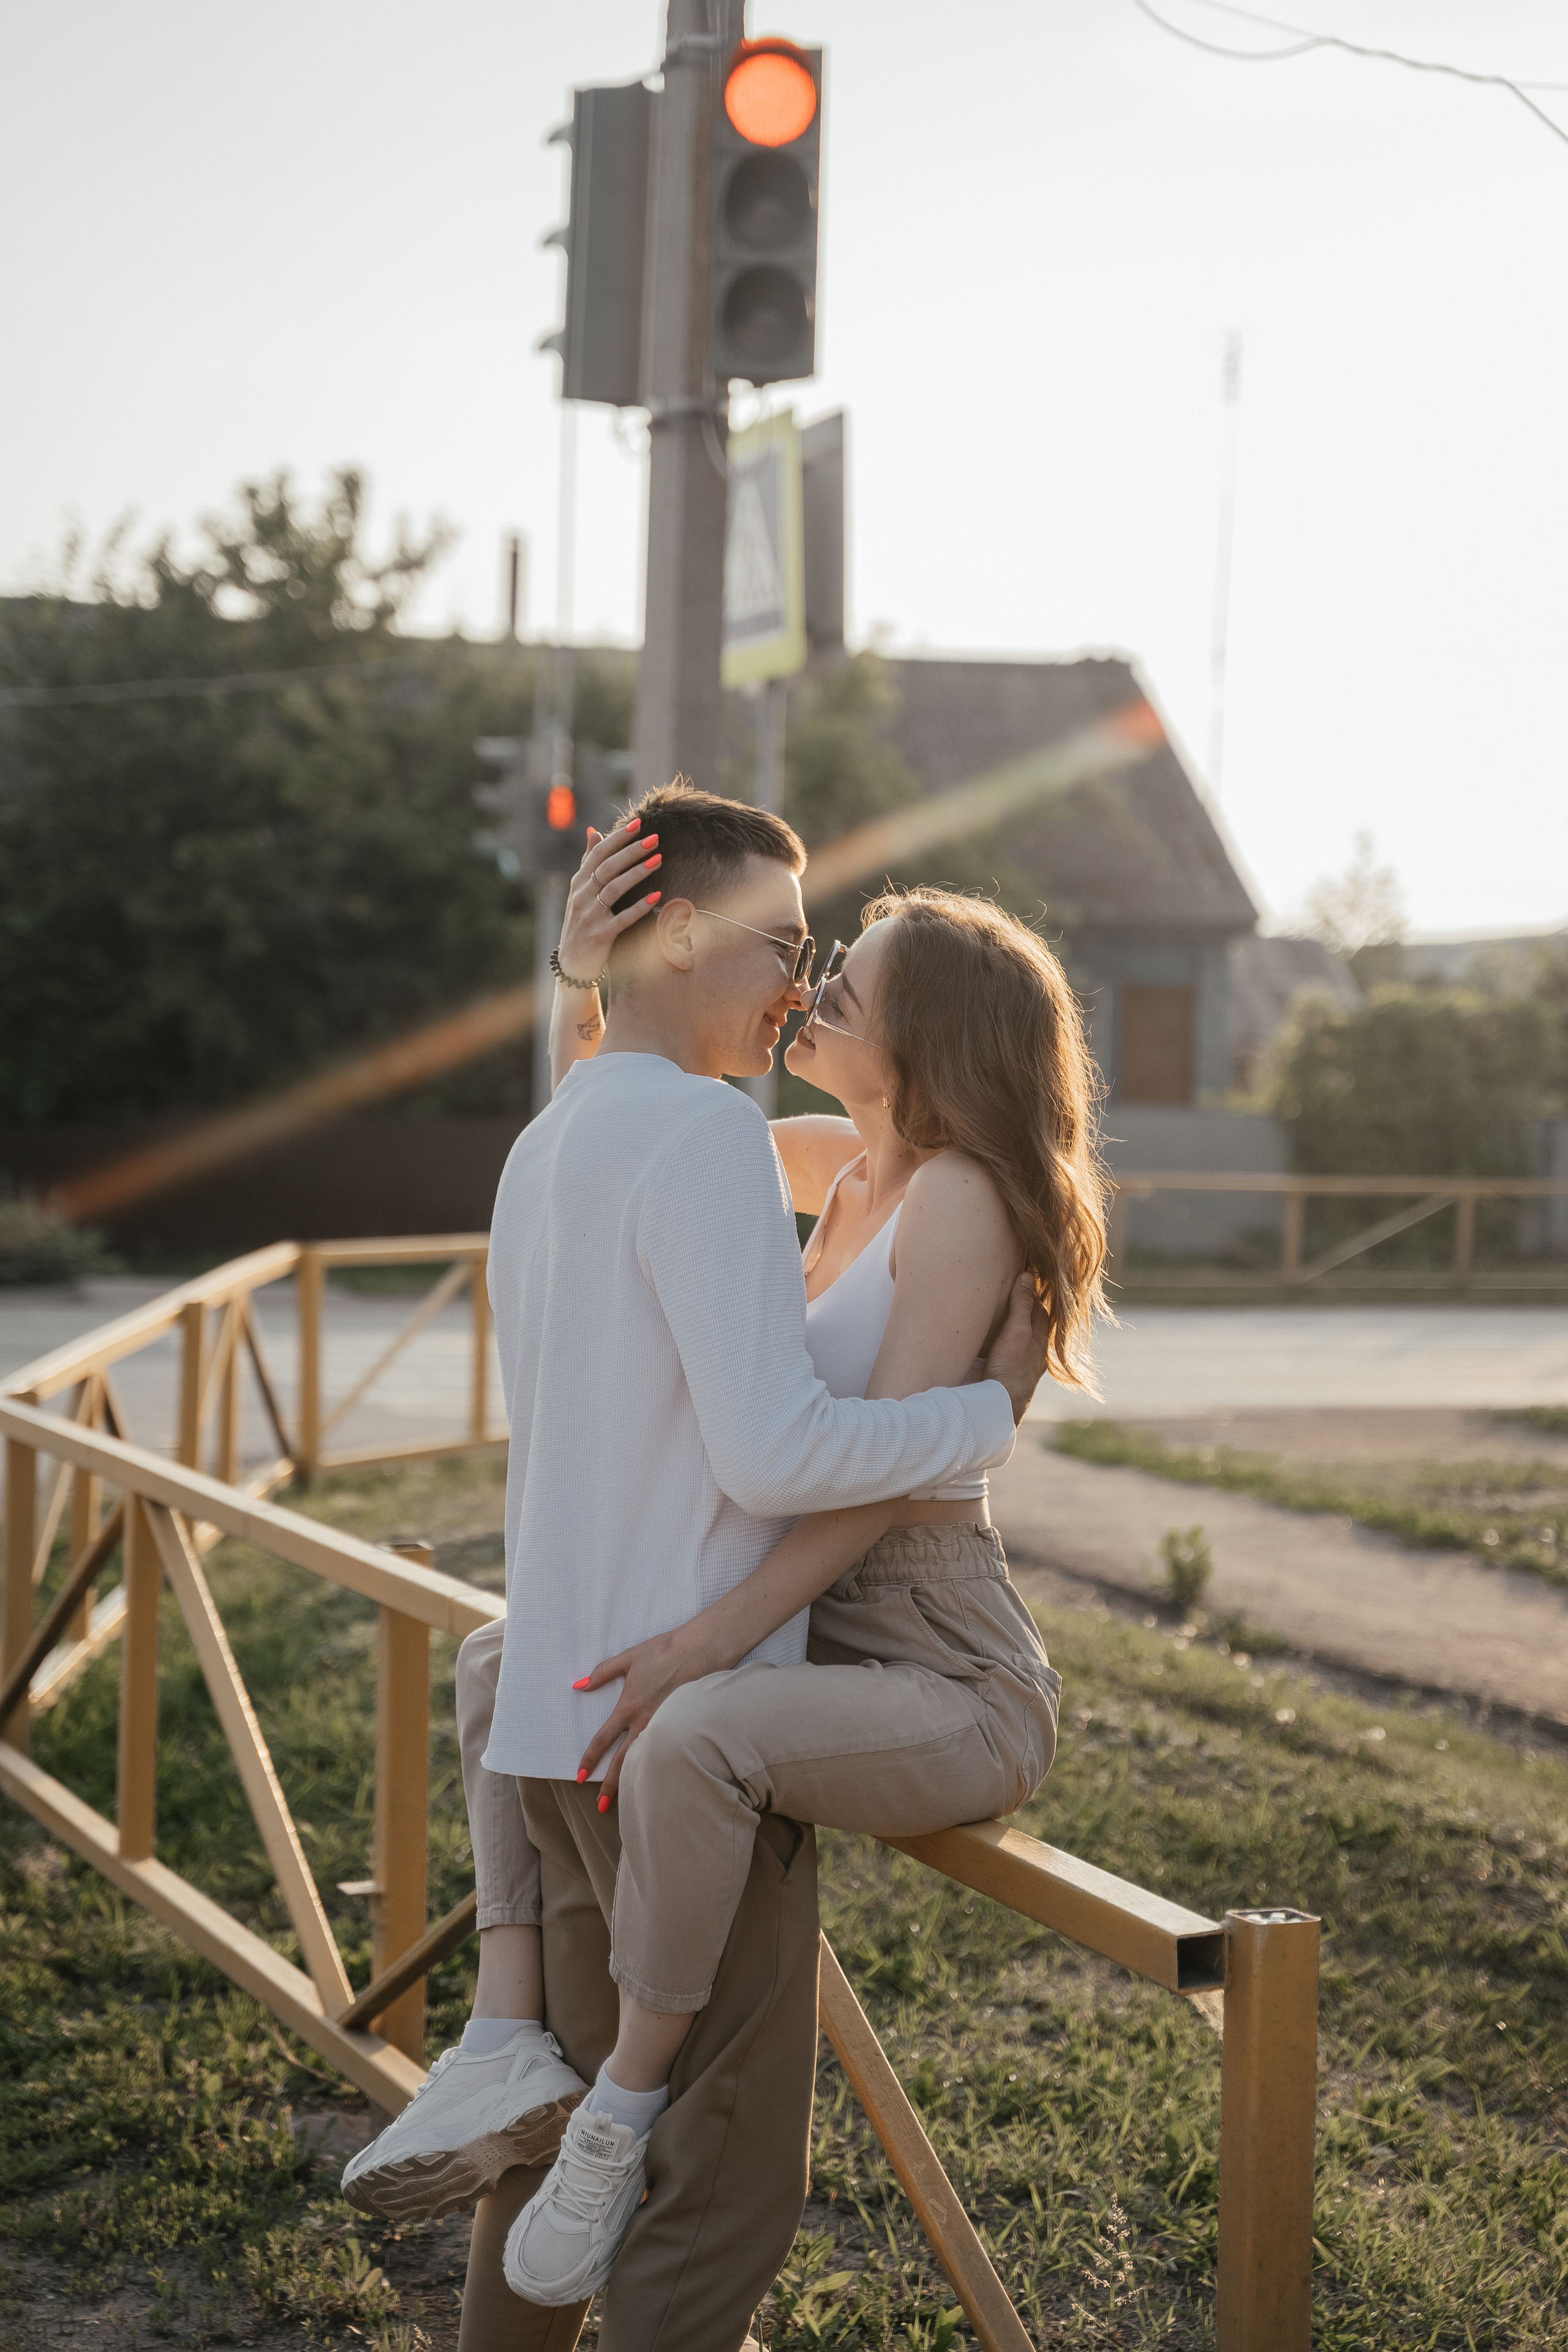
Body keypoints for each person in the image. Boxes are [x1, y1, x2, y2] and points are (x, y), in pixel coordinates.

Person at [343, 784, 1060, 2352]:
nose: (807, 986)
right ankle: (534, 2063)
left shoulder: (929, 1191)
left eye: (838, 973)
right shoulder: (811, 1154)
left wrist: (593, 987)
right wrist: (978, 1415)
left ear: (928, 1035)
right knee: (716, 2168)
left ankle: (528, 2053)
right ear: (675, 933)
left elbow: (609, 1138)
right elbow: (628, 1146)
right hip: (712, 1656)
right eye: (796, 952)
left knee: (609, 2115)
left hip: (832, 1639)